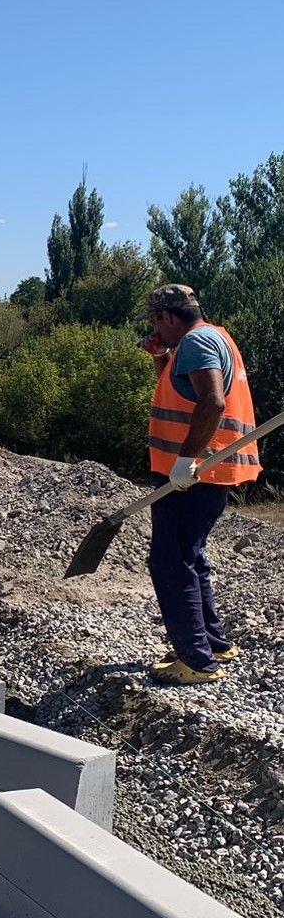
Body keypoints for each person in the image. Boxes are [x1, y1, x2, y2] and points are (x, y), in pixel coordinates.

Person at [142, 284, 261, 685]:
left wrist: (185, 462)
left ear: (169, 317)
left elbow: (212, 402)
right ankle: (213, 643)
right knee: (190, 556)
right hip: (203, 474)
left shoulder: (196, 343)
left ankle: (195, 660)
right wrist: (161, 355)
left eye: (156, 321)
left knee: (170, 562)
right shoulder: (209, 337)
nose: (155, 329)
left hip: (194, 475)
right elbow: (181, 392)